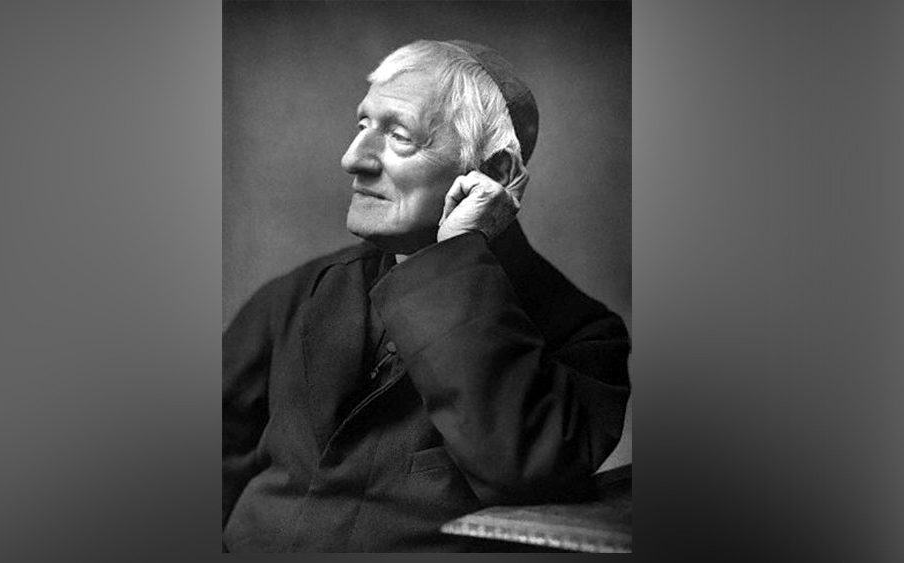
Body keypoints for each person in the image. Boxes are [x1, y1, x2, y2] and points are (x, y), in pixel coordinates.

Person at [222, 39, 631, 552]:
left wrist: (458, 253)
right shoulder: (298, 294)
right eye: (363, 125)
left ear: (495, 173)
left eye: (399, 136)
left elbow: (524, 469)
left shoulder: (584, 336)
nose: (353, 159)